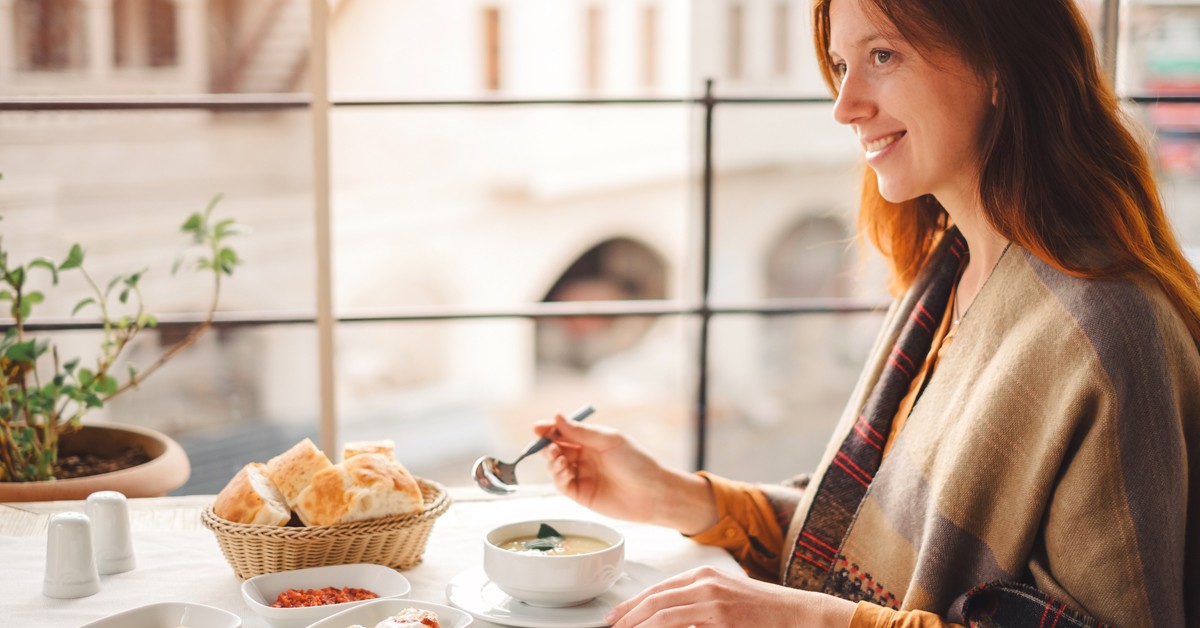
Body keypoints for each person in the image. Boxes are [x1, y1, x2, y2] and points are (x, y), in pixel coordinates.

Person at [533, 0, 1200, 625]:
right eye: (840, 64)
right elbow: (866, 542)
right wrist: (672, 496)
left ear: (999, 65)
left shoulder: (1112, 335)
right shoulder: (949, 272)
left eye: (883, 55)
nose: (845, 106)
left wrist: (800, 617)